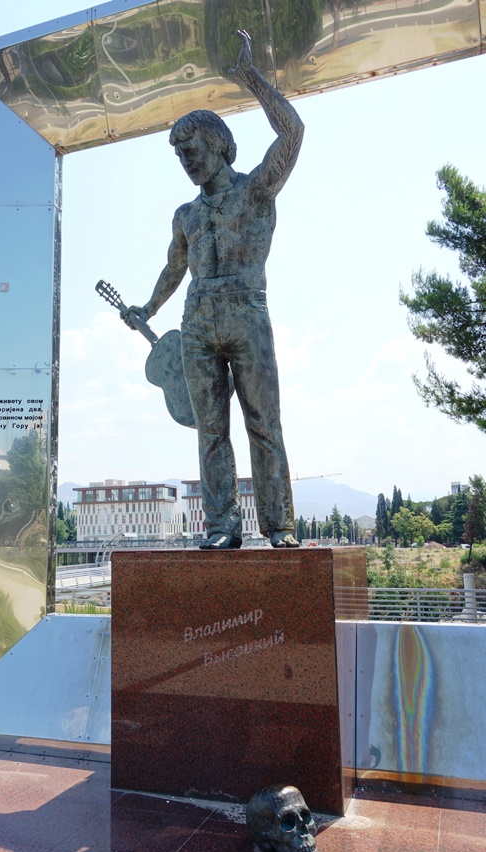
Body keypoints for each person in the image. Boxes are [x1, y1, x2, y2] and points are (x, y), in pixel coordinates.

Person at [122, 30, 304, 549]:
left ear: (218, 144)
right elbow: (173, 269)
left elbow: (293, 131)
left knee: (263, 423)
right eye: (179, 156)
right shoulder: (186, 215)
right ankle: (222, 525)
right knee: (210, 431)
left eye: (192, 149)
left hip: (247, 311)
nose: (187, 161)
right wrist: (146, 308)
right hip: (198, 319)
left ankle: (279, 526)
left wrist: (250, 76)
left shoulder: (256, 190)